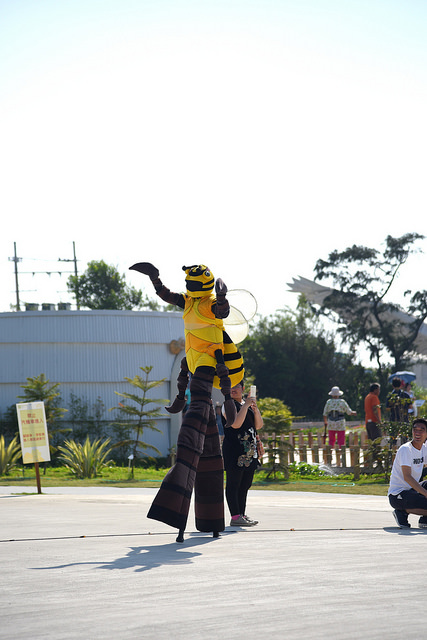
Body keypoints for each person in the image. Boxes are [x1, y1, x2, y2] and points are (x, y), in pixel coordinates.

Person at [222, 382, 264, 527]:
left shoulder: (246, 405)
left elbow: (258, 425)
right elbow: (235, 424)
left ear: (243, 389)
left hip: (249, 451)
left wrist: (254, 408)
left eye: (236, 387)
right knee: (234, 484)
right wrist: (246, 406)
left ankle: (241, 514)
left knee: (245, 484)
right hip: (234, 451)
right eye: (230, 387)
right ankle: (235, 516)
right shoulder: (227, 405)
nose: (233, 390)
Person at [387, 418, 427, 529]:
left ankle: (424, 519)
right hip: (398, 495)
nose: (418, 433)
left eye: (422, 430)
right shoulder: (405, 449)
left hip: (412, 491)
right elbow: (407, 477)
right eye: (415, 429)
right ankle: (401, 512)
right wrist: (425, 494)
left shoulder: (424, 449)